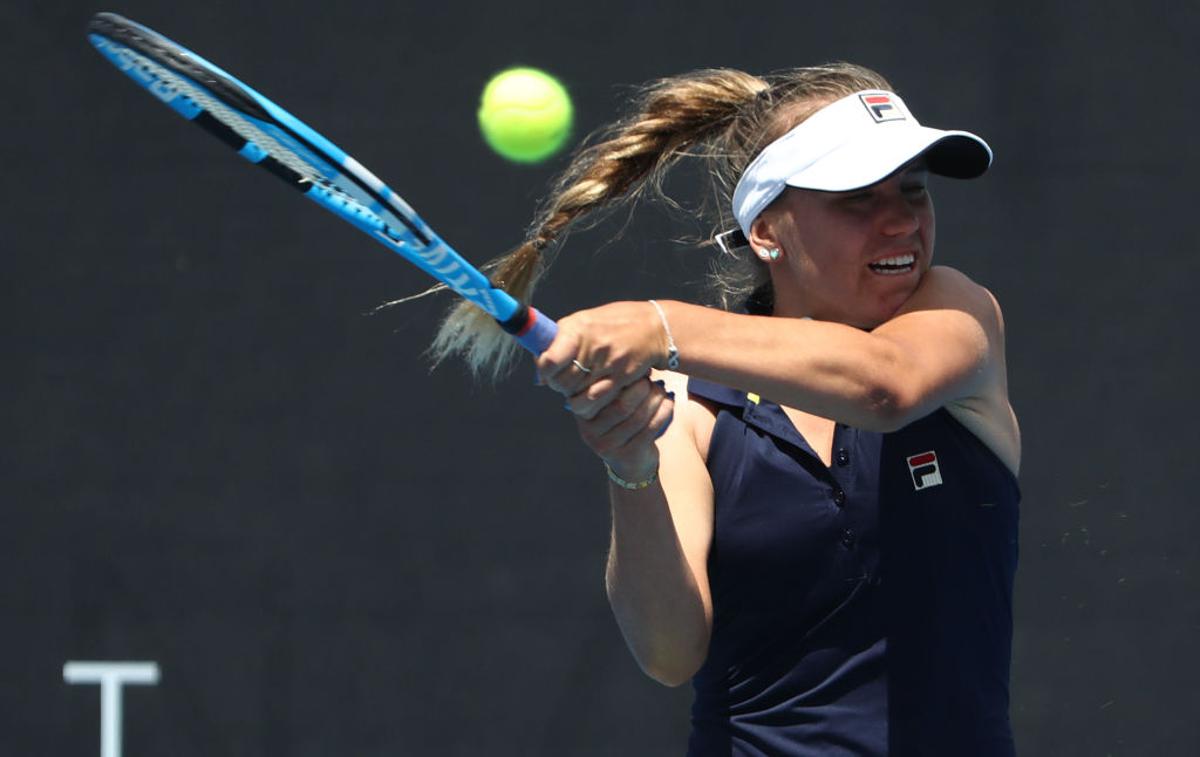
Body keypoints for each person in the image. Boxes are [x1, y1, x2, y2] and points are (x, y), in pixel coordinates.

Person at [433, 64, 1020, 756]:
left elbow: (884, 387)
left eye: (913, 191)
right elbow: (669, 650)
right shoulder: (687, 406)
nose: (899, 221)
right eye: (858, 198)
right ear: (768, 231)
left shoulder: (958, 313)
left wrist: (658, 324)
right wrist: (632, 465)